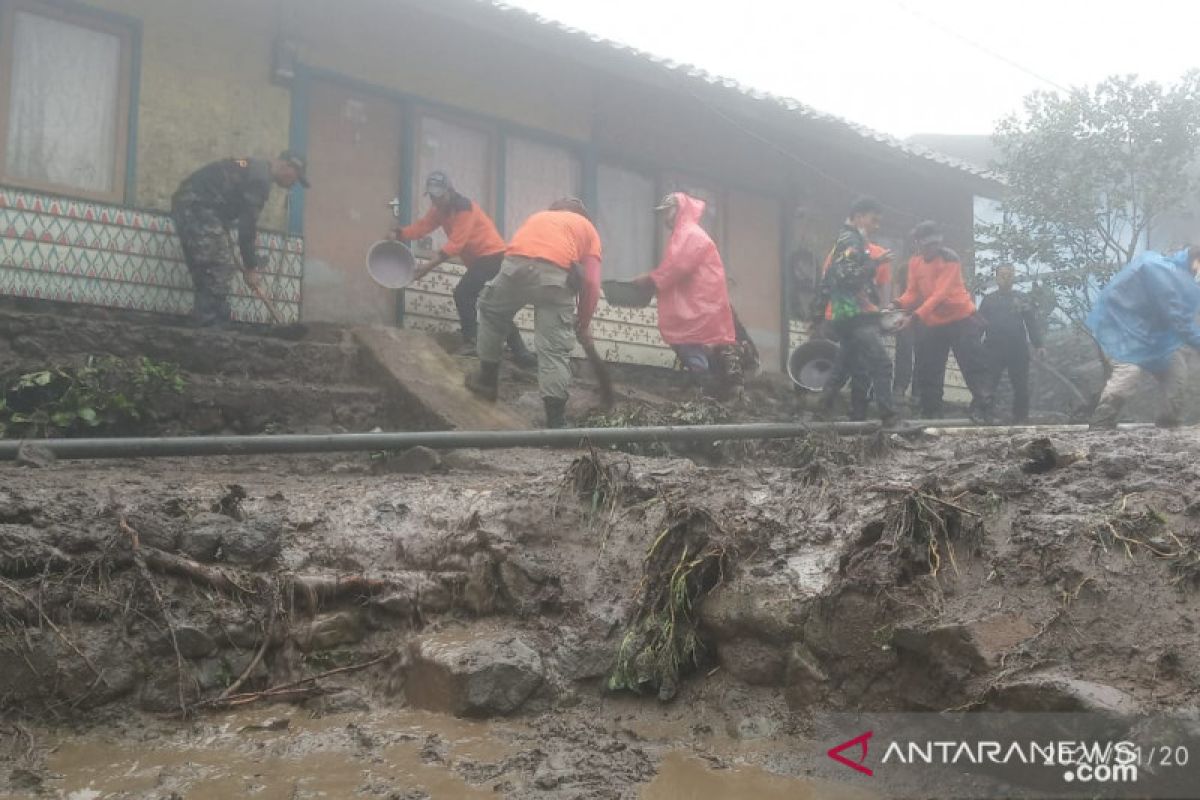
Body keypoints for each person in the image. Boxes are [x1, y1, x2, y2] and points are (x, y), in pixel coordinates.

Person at [465, 198, 602, 429]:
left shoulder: (538, 216)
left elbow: (516, 251)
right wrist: (584, 322)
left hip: (515, 268)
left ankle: (487, 381)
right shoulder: (587, 228)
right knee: (553, 350)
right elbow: (591, 282)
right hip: (555, 279)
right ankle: (556, 422)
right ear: (582, 214)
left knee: (492, 313)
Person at [392, 172, 535, 366]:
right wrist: (399, 234)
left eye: (439, 196)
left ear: (450, 191)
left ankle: (472, 342)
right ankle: (522, 354)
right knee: (493, 307)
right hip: (480, 261)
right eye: (432, 196)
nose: (436, 200)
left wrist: (426, 267)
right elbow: (423, 227)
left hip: (493, 257)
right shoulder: (438, 210)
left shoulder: (464, 209)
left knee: (463, 293)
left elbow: (455, 245)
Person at [171, 151, 308, 326]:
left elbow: (226, 197)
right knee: (219, 267)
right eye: (296, 177)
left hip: (198, 206)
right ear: (287, 166)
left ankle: (214, 322)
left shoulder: (254, 168)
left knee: (210, 268)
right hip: (196, 205)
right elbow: (247, 226)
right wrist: (251, 267)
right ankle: (210, 326)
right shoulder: (260, 179)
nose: (294, 183)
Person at [629, 193, 743, 399]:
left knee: (687, 339)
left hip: (698, 301)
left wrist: (650, 279)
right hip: (695, 298)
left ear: (679, 210)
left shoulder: (690, 234)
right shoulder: (686, 234)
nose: (665, 217)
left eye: (668, 212)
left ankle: (704, 385)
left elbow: (677, 267)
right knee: (690, 340)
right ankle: (707, 382)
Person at [1087, 246, 1200, 429]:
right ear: (1196, 260)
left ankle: (1168, 424)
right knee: (1128, 373)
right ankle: (1101, 422)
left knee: (1176, 372)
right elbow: (1178, 319)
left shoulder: (1180, 278)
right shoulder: (1162, 272)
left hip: (1154, 339)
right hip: (1121, 332)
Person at [892, 221, 994, 422]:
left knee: (973, 363)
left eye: (935, 244)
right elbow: (913, 292)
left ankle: (985, 408)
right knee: (928, 366)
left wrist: (914, 317)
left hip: (960, 318)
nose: (932, 249)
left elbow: (939, 295)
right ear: (918, 244)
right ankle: (931, 411)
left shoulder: (949, 259)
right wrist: (896, 303)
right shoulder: (915, 262)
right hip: (933, 320)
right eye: (927, 245)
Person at [813, 197, 898, 423]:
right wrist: (875, 264)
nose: (876, 226)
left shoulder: (846, 240)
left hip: (845, 315)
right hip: (855, 315)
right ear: (859, 216)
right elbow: (846, 277)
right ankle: (888, 417)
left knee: (845, 366)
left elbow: (827, 281)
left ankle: (822, 412)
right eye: (874, 220)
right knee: (882, 363)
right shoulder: (852, 241)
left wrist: (818, 315)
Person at [979, 265, 1044, 423]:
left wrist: (1039, 345)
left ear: (1014, 277)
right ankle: (984, 415)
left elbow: (1031, 322)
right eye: (1002, 275)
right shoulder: (988, 300)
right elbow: (978, 324)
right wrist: (973, 344)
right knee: (988, 384)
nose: (1006, 278)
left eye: (1009, 275)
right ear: (996, 278)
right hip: (993, 349)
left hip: (1017, 350)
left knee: (1021, 386)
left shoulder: (1021, 299)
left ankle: (1021, 418)